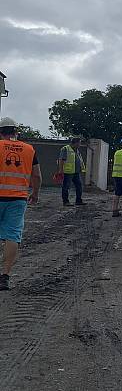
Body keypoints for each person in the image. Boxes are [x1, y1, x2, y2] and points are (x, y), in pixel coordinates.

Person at [0, 118, 41, 290]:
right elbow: (37, 176)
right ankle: (5, 276)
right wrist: (35, 194)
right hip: (17, 199)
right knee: (12, 235)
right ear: (16, 132)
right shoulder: (29, 149)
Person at [56, 137, 86, 206]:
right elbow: (61, 160)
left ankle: (78, 200)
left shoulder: (77, 150)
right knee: (66, 187)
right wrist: (60, 170)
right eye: (79, 143)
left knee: (79, 186)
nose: (80, 144)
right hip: (68, 172)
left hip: (76, 172)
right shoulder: (65, 149)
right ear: (75, 143)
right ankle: (65, 201)